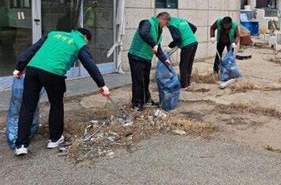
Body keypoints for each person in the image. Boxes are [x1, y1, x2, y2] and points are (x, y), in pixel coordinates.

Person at [13, 28, 110, 156]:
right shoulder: (79, 42)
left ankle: (21, 145)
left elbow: (33, 49)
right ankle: (54, 139)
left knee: (27, 106)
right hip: (54, 73)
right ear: (85, 37)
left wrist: (19, 67)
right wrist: (102, 85)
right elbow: (89, 64)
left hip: (33, 70)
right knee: (56, 104)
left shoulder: (53, 34)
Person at [128, 12, 170, 110]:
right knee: (138, 81)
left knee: (145, 81)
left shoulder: (158, 31)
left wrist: (165, 60)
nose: (165, 26)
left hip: (146, 58)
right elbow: (143, 33)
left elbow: (157, 47)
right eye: (166, 23)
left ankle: (146, 100)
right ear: (163, 19)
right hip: (136, 56)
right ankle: (137, 104)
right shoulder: (147, 22)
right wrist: (153, 44)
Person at [167, 17, 198, 89]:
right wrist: (187, 36)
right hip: (194, 42)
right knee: (189, 64)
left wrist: (170, 46)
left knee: (183, 65)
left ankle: (184, 85)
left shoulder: (171, 25)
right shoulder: (181, 20)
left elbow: (177, 38)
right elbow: (194, 28)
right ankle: (188, 82)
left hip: (186, 45)